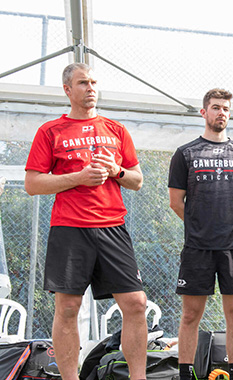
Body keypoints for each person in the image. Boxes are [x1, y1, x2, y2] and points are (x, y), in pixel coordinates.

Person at [24, 63, 148, 380]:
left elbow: (137, 180)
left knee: (135, 303)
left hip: (112, 228)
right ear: (68, 90)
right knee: (67, 308)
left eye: (93, 82)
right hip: (70, 229)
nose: (90, 87)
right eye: (83, 82)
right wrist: (78, 177)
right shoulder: (50, 131)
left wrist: (116, 172)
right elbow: (33, 183)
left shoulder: (116, 130)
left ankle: (139, 378)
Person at [168, 88, 233, 380]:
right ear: (203, 112)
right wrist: (200, 226)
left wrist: (225, 224)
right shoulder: (186, 153)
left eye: (226, 109)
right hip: (198, 248)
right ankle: (185, 374)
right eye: (216, 107)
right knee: (190, 315)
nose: (221, 113)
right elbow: (175, 201)